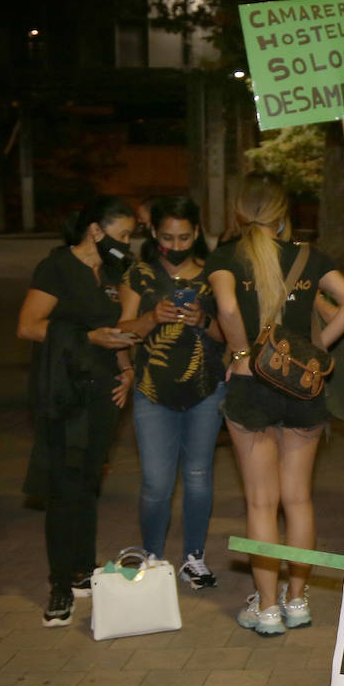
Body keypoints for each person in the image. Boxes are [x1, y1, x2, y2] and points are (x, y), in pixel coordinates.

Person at [208, 173, 344, 636]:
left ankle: (269, 608)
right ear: (282, 211)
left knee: (261, 503)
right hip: (302, 387)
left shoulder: (225, 257)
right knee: (298, 499)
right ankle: (297, 601)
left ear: (239, 210)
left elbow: (228, 308)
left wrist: (241, 356)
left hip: (251, 387)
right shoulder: (309, 256)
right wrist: (316, 356)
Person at [17, 196, 139, 627]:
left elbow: (118, 331)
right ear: (95, 230)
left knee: (87, 483)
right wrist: (88, 338)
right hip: (63, 392)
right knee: (63, 488)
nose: (127, 243)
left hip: (103, 392)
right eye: (122, 235)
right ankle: (58, 586)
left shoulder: (111, 272)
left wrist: (127, 371)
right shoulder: (56, 267)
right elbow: (29, 325)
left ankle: (83, 572)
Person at [117, 195, 226, 589]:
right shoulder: (139, 275)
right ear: (153, 233)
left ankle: (194, 557)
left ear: (196, 233)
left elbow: (229, 336)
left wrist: (203, 319)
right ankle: (153, 556)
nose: (176, 246)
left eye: (184, 237)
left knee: (198, 477)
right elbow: (122, 332)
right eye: (167, 237)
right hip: (152, 392)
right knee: (156, 483)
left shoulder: (216, 274)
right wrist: (150, 318)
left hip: (205, 390)